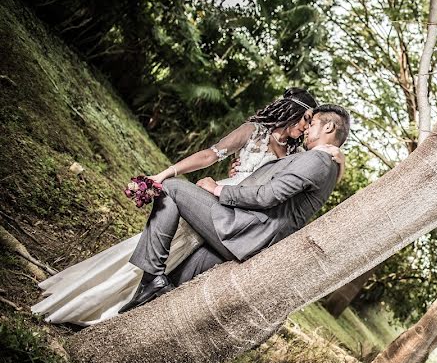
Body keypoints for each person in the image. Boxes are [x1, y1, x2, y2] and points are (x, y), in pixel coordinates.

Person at [33, 89, 342, 324]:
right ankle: (136, 285)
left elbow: (282, 187)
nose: (305, 127)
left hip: (235, 215)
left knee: (184, 272)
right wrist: (166, 173)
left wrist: (337, 157)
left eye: (311, 123)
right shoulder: (255, 132)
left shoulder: (300, 154)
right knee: (165, 232)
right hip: (221, 205)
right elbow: (211, 155)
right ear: (291, 112)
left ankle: (131, 309)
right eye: (305, 119)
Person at [119, 103, 351, 313]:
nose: (307, 129)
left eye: (312, 124)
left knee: (171, 188)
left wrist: (217, 189)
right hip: (249, 242)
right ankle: (144, 307)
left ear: (329, 127)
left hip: (242, 228)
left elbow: (268, 195)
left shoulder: (317, 160)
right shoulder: (327, 164)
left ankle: (151, 277)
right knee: (179, 280)